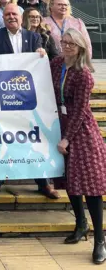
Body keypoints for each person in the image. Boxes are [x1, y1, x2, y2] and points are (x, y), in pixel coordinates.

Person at [0, 4, 60, 199]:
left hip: (28, 98)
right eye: (7, 14)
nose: (11, 17)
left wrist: (41, 55)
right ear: (3, 18)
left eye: (14, 14)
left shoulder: (34, 37)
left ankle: (43, 183)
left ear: (21, 17)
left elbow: (41, 62)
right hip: (4, 96)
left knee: (33, 140)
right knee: (3, 138)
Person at [48, 28, 106, 265]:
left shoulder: (84, 75)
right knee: (71, 181)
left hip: (80, 131)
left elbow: (81, 111)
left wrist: (67, 139)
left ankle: (100, 239)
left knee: (90, 186)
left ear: (81, 47)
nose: (67, 46)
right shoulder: (56, 63)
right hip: (60, 124)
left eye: (72, 43)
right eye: (64, 42)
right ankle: (81, 224)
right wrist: (40, 52)